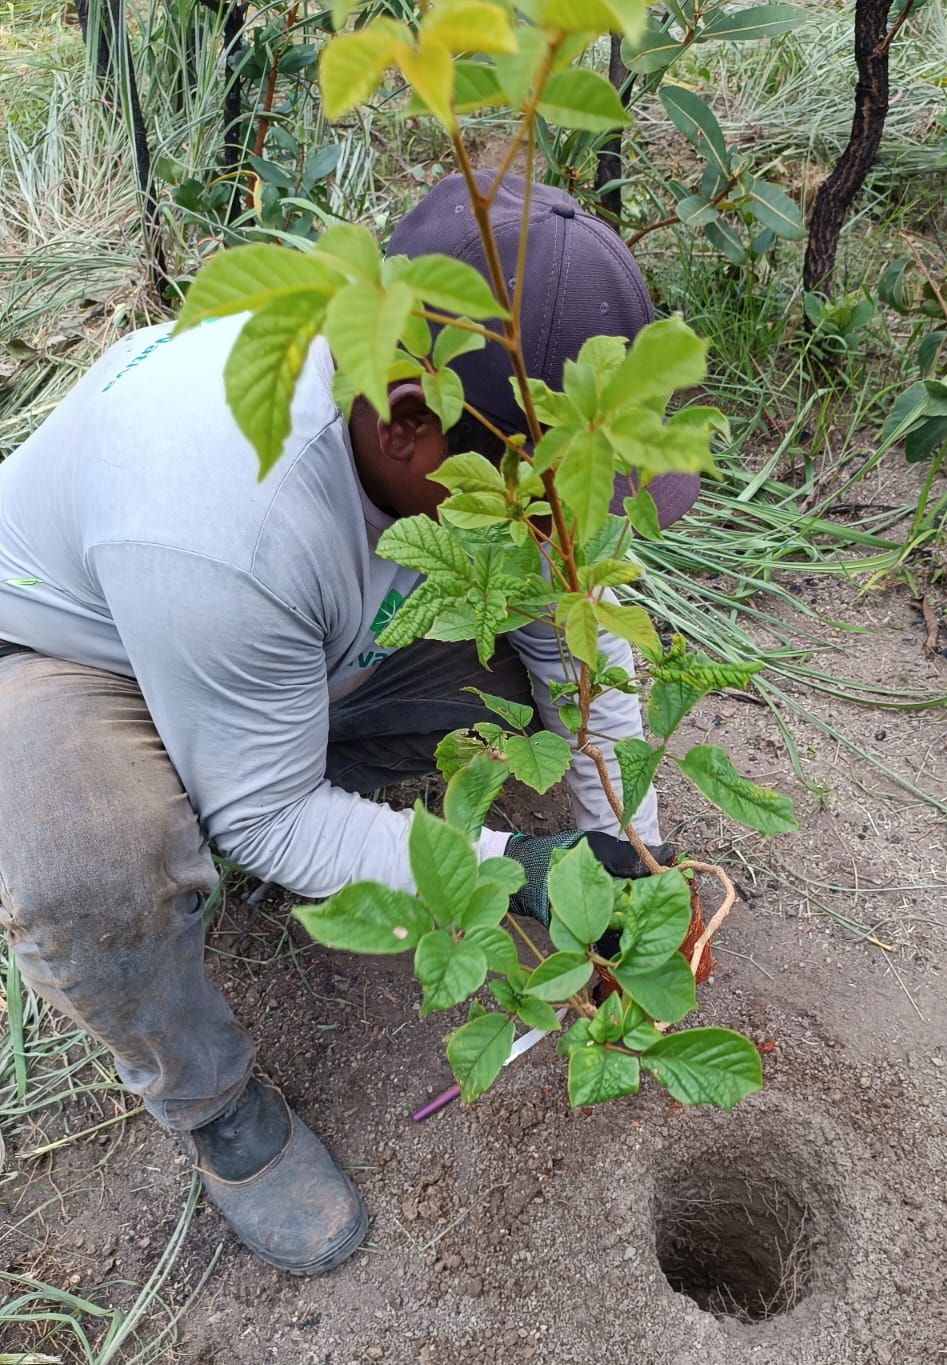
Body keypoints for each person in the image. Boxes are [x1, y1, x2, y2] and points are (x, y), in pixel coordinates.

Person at [0, 174, 693, 1276]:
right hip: (81, 654)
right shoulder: (222, 509)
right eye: (545, 496)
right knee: (94, 861)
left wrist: (634, 833)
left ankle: (271, 752)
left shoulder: (451, 415)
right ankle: (218, 1108)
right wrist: (522, 868)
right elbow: (269, 818)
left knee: (516, 704)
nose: (558, 526)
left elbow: (574, 624)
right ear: (411, 429)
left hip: (286, 647)